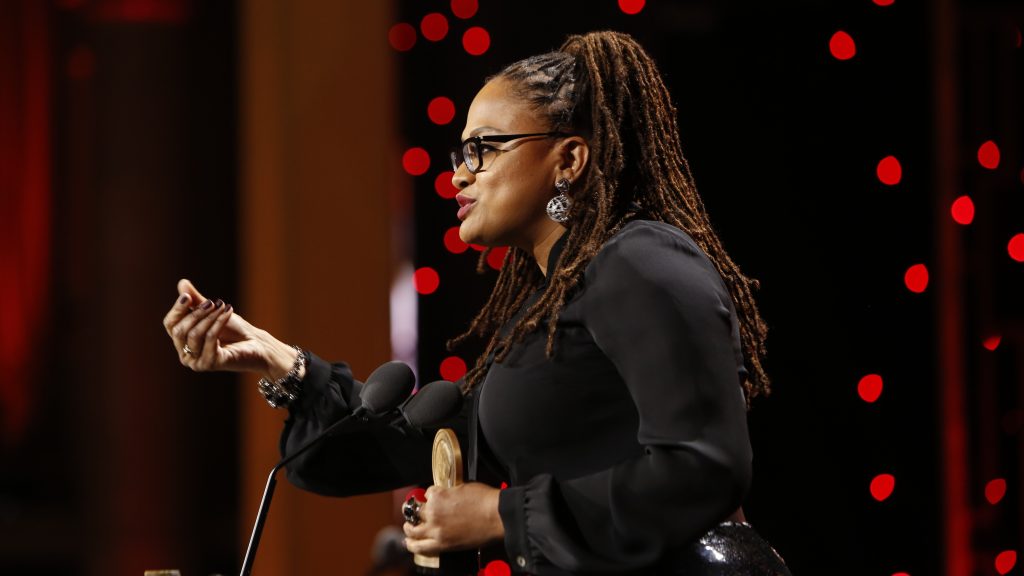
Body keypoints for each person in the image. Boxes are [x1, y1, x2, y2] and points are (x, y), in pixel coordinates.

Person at [163, 30, 792, 575]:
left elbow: (703, 470)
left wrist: (500, 514)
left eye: (484, 149)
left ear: (568, 158)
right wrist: (283, 366)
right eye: (461, 151)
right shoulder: (548, 305)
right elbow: (393, 449)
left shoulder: (640, 263)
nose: (460, 174)